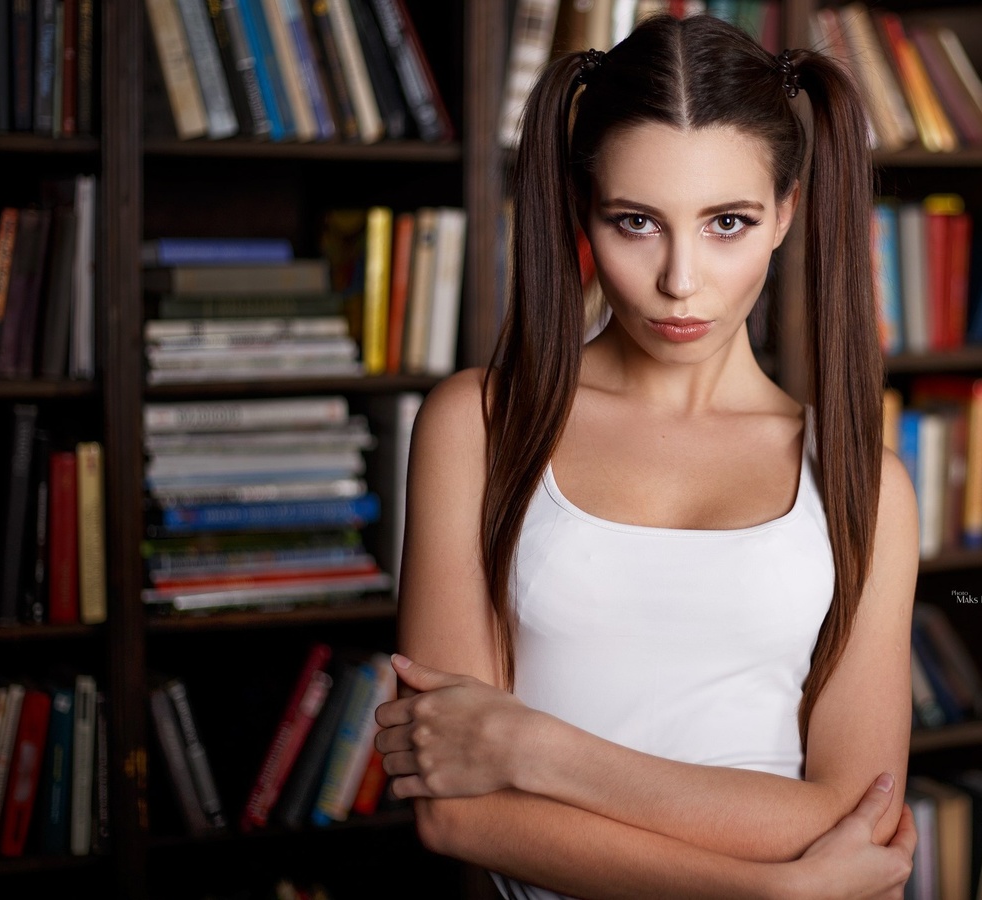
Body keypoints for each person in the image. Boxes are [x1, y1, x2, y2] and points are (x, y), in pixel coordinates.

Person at [372, 13, 920, 899]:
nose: (680, 280)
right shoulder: (478, 425)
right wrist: (772, 891)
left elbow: (851, 816)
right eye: (635, 221)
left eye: (728, 222)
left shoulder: (866, 487)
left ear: (786, 213)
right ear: (584, 212)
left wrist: (535, 747)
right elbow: (456, 809)